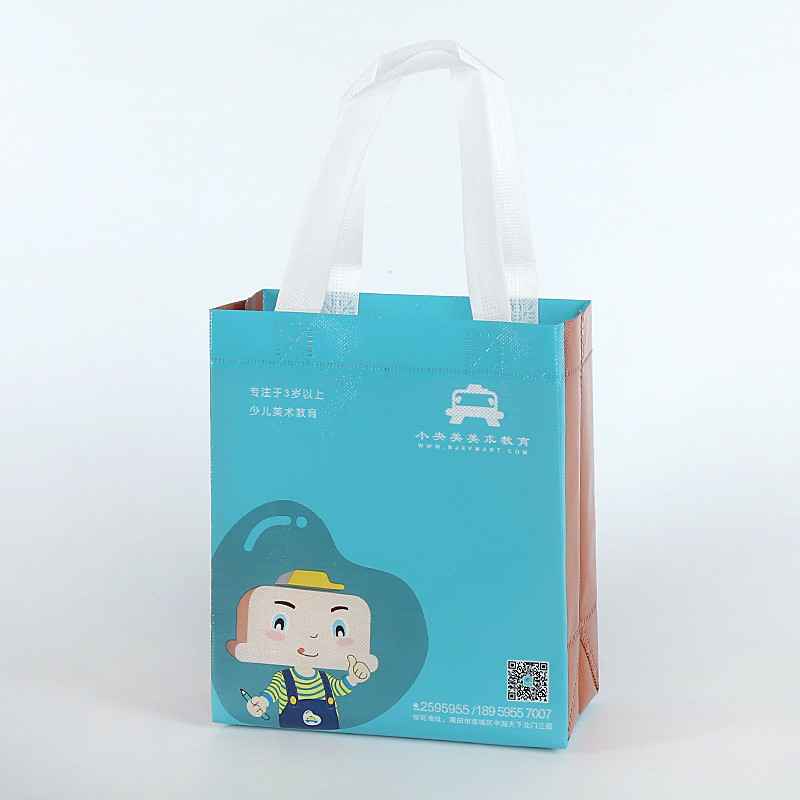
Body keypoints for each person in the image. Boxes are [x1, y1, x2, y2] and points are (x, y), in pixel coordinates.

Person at [227, 569, 379, 730]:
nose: (312, 636)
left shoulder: (325, 679)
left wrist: (353, 678)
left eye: (338, 630)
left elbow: (339, 688)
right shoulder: (282, 678)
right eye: (281, 623)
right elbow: (271, 694)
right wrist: (261, 703)